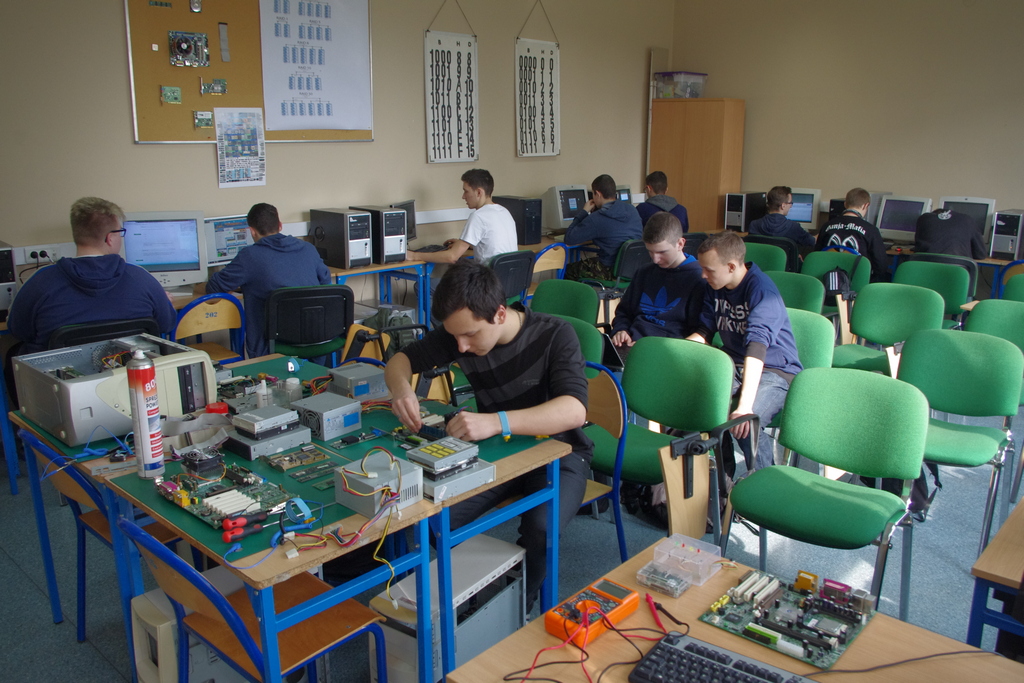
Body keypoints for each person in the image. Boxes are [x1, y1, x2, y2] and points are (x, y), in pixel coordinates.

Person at [384, 260, 591, 610]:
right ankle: (480, 592)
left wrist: (497, 422)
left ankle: (517, 605)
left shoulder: (556, 335)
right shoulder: (460, 333)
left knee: (541, 528)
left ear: (499, 314)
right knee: (431, 522)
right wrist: (402, 389)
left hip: (562, 453)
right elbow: (399, 361)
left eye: (470, 335)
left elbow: (574, 411)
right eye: (455, 337)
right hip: (496, 453)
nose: (461, 347)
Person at [686, 231, 802, 472]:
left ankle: (764, 482)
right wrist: (676, 350)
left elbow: (757, 348)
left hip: (774, 370)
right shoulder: (715, 286)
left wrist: (745, 406)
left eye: (709, 270)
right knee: (701, 405)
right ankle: (724, 479)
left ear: (731, 266)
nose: (703, 275)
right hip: (734, 364)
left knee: (747, 423)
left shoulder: (762, 291)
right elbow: (705, 331)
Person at [7, 197, 177, 354]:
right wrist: (163, 301)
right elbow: (166, 324)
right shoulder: (141, 278)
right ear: (110, 238)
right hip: (129, 372)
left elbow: (18, 330)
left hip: (57, 374)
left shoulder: (40, 281)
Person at [205, 202, 331, 358]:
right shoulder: (308, 249)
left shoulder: (250, 256)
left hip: (271, 350)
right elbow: (326, 284)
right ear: (280, 225)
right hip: (314, 344)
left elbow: (214, 289)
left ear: (252, 231)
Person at [610, 212, 705, 359]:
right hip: (632, 346)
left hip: (667, 353)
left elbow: (699, 333)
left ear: (680, 244)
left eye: (662, 252)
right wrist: (621, 330)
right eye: (650, 252)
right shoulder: (644, 272)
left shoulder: (699, 278)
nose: (655, 259)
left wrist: (655, 348)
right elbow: (624, 312)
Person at [410, 168, 518, 266]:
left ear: (479, 192)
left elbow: (452, 257)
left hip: (488, 280)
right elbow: (494, 245)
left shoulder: (479, 216)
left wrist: (414, 256)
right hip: (511, 279)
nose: (463, 196)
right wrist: (467, 244)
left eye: (466, 191)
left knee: (441, 279)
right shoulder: (504, 212)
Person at [564, 174, 643, 281]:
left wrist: (584, 212)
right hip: (633, 270)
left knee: (568, 270)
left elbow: (569, 238)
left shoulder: (597, 218)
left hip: (610, 271)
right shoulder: (632, 210)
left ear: (598, 194)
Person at [815, 187, 889, 281]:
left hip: (828, 279)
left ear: (845, 204)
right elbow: (881, 265)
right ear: (865, 205)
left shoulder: (826, 226)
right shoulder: (871, 230)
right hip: (857, 280)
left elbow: (817, 255)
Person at [747, 185, 815, 248]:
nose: (791, 206)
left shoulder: (754, 225)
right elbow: (812, 242)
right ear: (783, 206)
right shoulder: (794, 227)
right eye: (790, 203)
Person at [914, 207, 987, 259]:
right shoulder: (967, 219)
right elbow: (981, 254)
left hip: (925, 269)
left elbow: (918, 247)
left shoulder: (924, 219)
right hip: (958, 270)